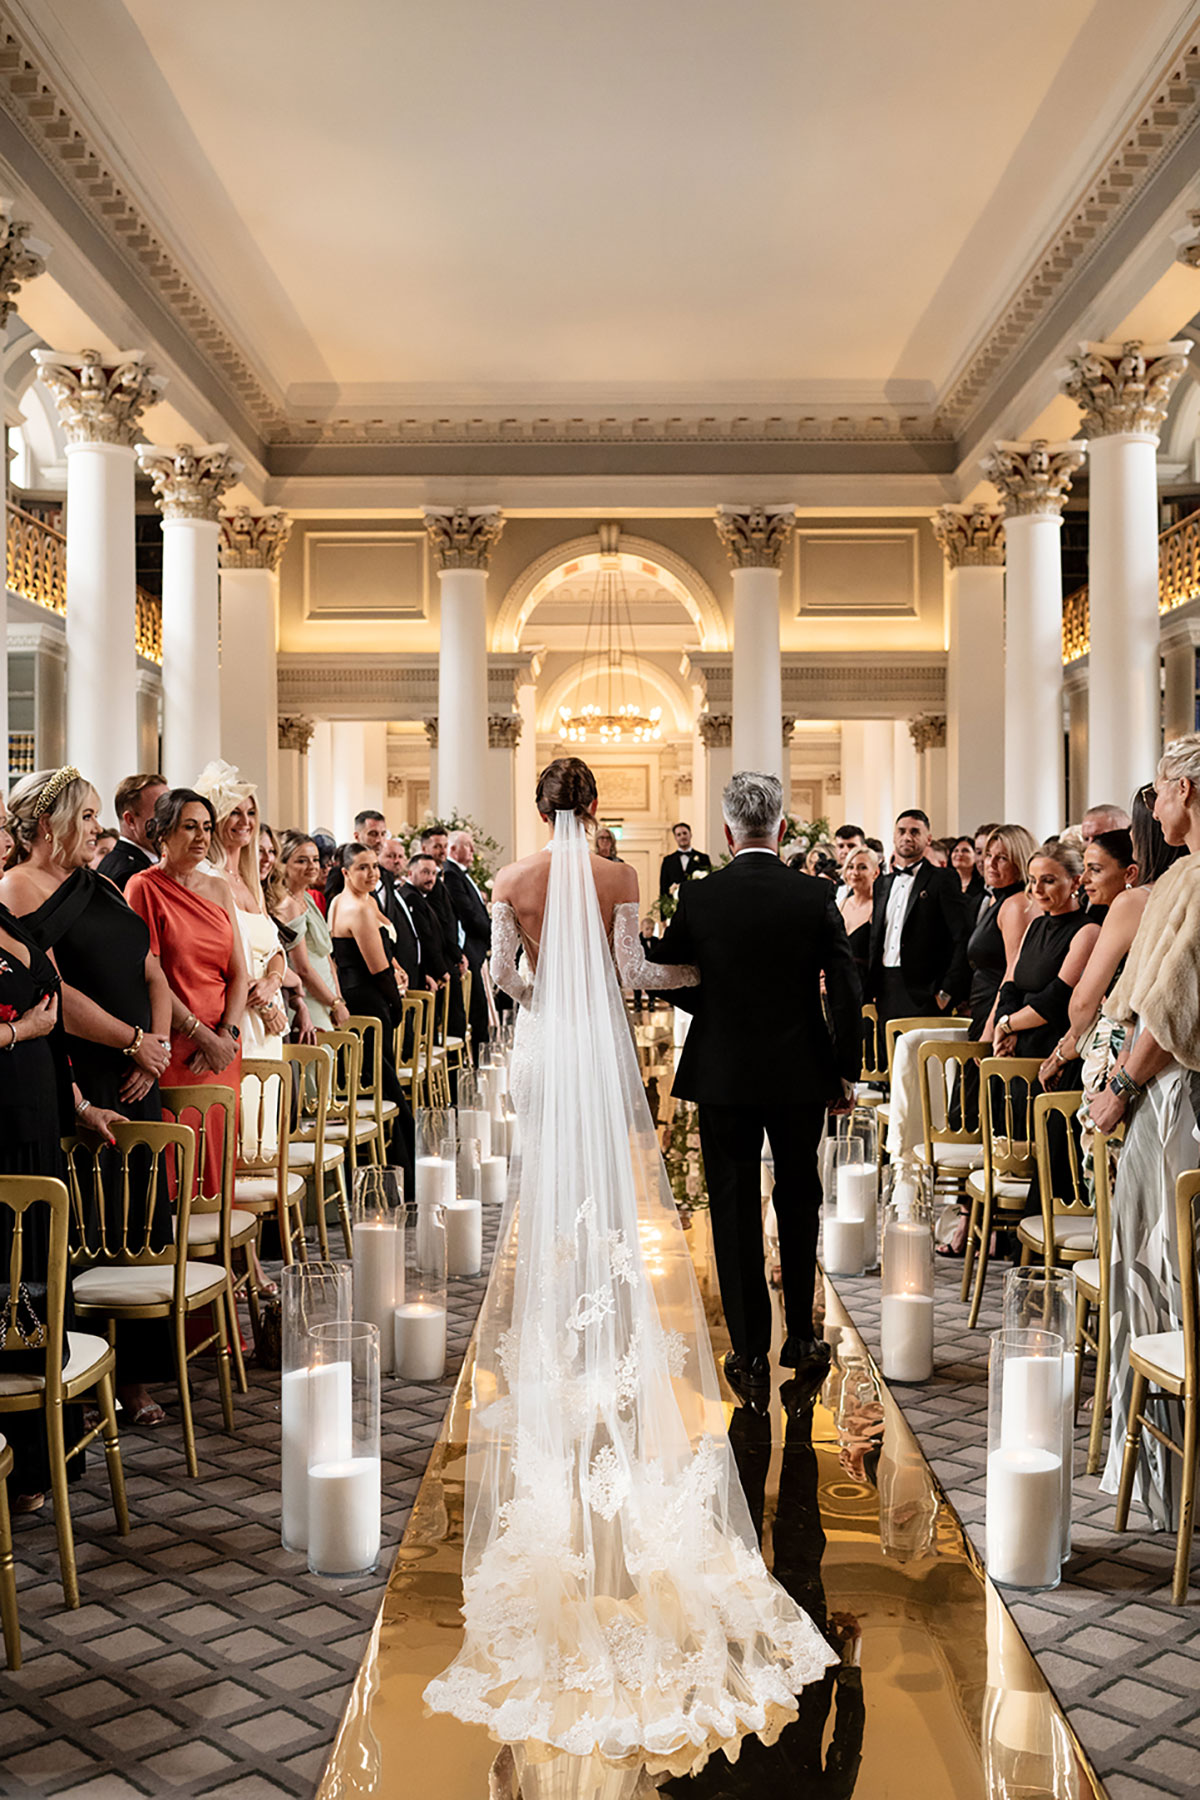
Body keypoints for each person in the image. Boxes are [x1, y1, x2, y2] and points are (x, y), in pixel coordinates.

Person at [424, 756, 837, 1781]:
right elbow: (643, 975)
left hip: (548, 1046)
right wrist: (721, 980)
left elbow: (502, 981)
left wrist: (540, 986)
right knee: (620, 1203)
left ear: (535, 809)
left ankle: (561, 1330)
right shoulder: (620, 879)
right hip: (604, 1046)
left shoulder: (513, 880)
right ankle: (616, 1329)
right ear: (598, 810)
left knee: (548, 1206)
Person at [652, 769, 860, 1396]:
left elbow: (672, 972)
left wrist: (716, 1014)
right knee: (798, 1197)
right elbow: (846, 989)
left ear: (725, 832)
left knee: (733, 1206)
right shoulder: (815, 895)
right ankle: (801, 1334)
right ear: (784, 828)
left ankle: (747, 1350)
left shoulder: (700, 897)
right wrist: (845, 1068)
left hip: (722, 1072)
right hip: (801, 1071)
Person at [0, 766, 175, 1426]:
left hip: (140, 1067)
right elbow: (49, 991)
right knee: (95, 1233)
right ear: (48, 823)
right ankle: (97, 1377)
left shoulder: (97, 880)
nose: (97, 828)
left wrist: (155, 1045)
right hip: (89, 1071)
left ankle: (140, 1374)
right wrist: (130, 1042)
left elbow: (148, 964)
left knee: (144, 1217)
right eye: (87, 816)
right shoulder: (16, 888)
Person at [1089, 740, 1200, 1529]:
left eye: (1159, 792)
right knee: (1144, 1267)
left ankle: (1179, 1487)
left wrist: (1122, 1085)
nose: (1151, 809)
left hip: (1176, 1100)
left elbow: (1171, 1008)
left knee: (1171, 1271)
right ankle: (1160, 1480)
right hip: (1153, 1091)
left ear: (1185, 789)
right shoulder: (1181, 874)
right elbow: (1135, 995)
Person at [126, 790, 248, 1199]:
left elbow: (238, 971)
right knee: (181, 1161)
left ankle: (227, 1259)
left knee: (220, 1151)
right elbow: (151, 974)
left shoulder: (218, 888)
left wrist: (227, 1035)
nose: (201, 837)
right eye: (189, 827)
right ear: (162, 832)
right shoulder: (142, 886)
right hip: (177, 1045)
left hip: (223, 1046)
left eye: (207, 828)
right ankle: (183, 1259)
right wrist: (202, 1036)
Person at [328, 843, 413, 1176]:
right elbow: (377, 969)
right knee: (385, 1086)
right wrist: (396, 1005)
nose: (372, 874)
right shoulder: (355, 908)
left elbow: (384, 953)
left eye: (375, 867)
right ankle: (401, 1168)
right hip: (368, 998)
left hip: (362, 993)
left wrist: (397, 966)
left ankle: (390, 1163)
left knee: (378, 1081)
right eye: (363, 867)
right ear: (346, 871)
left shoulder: (363, 901)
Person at [993, 840, 1098, 1072]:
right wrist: (1004, 1025)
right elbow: (1010, 984)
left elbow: (1056, 999)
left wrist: (1008, 1025)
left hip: (1052, 1050)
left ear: (1075, 882)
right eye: (1032, 880)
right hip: (1016, 1046)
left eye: (1048, 881)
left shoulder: (1088, 931)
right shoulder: (1035, 925)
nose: (1036, 889)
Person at [867, 808, 969, 1030]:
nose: (907, 837)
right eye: (902, 831)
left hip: (925, 990)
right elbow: (877, 936)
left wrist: (946, 991)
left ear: (928, 839)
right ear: (894, 836)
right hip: (885, 987)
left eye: (915, 832)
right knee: (891, 1060)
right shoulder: (882, 884)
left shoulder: (943, 879)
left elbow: (962, 937)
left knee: (921, 1060)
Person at [270, 832, 349, 1033]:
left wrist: (337, 999)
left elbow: (327, 957)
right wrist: (333, 1002)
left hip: (327, 995)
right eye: (302, 861)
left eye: (315, 859)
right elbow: (302, 968)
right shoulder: (286, 905)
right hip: (310, 998)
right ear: (283, 864)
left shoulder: (308, 898)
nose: (313, 866)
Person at [966, 825, 1038, 1045]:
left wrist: (992, 1029)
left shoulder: (1017, 904)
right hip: (983, 1007)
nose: (991, 864)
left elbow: (1012, 974)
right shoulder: (998, 900)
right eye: (989, 855)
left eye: (1002, 858)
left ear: (1020, 861)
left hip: (995, 1010)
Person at [445, 827, 492, 1054]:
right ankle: (479, 1064)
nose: (473, 849)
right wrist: (493, 934)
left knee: (480, 1009)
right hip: (468, 950)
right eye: (467, 845)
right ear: (453, 849)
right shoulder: (452, 874)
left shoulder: (460, 873)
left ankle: (482, 1058)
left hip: (476, 949)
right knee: (477, 1010)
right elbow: (468, 914)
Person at [97, 772, 167, 890]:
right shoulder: (129, 874)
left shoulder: (120, 859)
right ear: (130, 820)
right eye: (161, 813)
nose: (171, 821)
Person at [837, 846, 878, 986]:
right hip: (837, 983)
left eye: (862, 867)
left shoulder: (879, 908)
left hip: (864, 986)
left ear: (876, 873)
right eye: (850, 867)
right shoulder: (840, 904)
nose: (854, 872)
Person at [659, 819, 712, 895]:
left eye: (685, 833)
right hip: (675, 904)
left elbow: (708, 883)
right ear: (675, 838)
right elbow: (663, 887)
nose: (682, 837)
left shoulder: (703, 858)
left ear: (690, 835)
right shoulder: (668, 861)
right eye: (679, 835)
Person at [949, 835, 985, 915]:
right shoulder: (945, 883)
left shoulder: (983, 885)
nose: (959, 854)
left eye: (965, 851)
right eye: (956, 850)